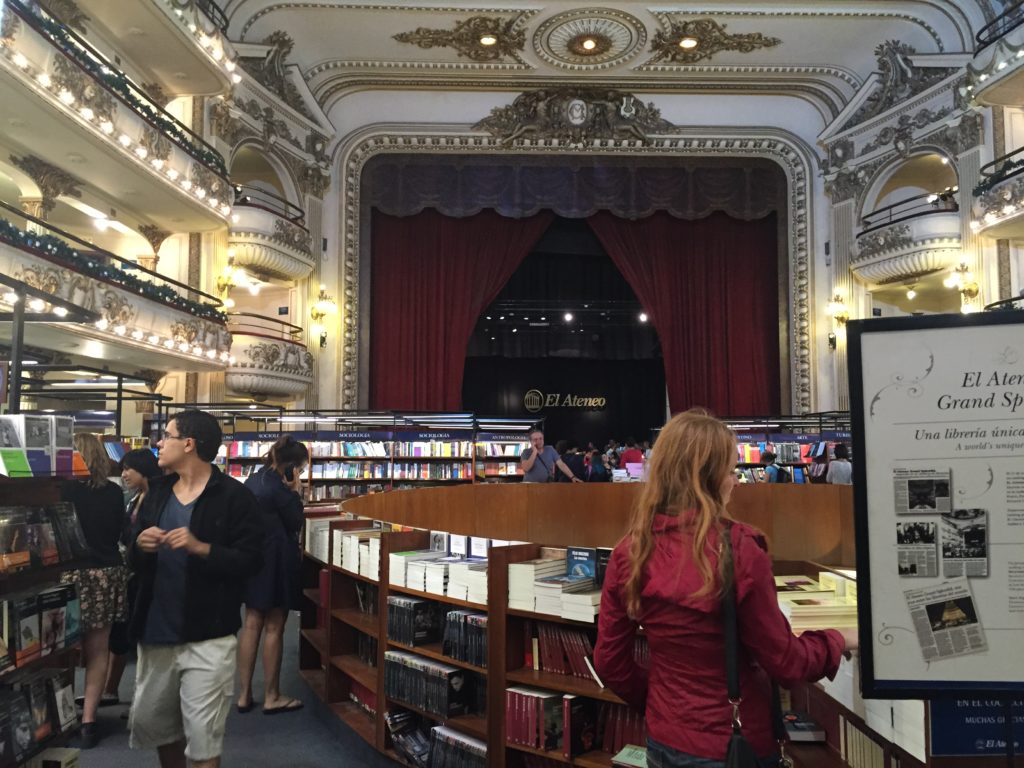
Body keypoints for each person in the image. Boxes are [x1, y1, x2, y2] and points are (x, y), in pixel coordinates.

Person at [593, 409, 855, 767]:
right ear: (710, 479)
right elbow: (786, 663)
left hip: (664, 739)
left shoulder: (630, 551)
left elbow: (609, 661)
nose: (736, 481)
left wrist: (662, 705)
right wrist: (839, 638)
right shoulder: (739, 550)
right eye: (731, 471)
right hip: (734, 743)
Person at [128, 410, 263, 768]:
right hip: (155, 632)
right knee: (161, 730)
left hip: (208, 636)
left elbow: (252, 561)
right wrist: (139, 544)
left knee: (203, 740)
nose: (159, 442)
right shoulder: (155, 494)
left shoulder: (234, 497)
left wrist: (202, 548)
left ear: (188, 444)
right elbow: (134, 558)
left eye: (167, 435)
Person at [61, 433, 130, 749]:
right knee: (98, 649)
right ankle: (89, 720)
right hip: (106, 573)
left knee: (59, 648)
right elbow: (120, 532)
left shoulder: (64, 490)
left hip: (68, 573)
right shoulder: (115, 492)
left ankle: (59, 715)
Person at [237, 435, 309, 715]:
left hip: (254, 558)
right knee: (275, 626)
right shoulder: (279, 488)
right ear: (292, 466)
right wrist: (296, 492)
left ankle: (243, 694)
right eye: (301, 468)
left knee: (252, 623)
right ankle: (271, 695)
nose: (300, 473)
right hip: (277, 560)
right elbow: (295, 521)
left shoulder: (253, 480)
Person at [103, 448, 162, 710]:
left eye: (130, 469)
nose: (124, 474)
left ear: (144, 470)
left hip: (149, 577)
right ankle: (110, 690)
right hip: (131, 574)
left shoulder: (158, 500)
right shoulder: (133, 498)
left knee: (145, 638)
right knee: (123, 632)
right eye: (123, 469)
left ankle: (144, 700)